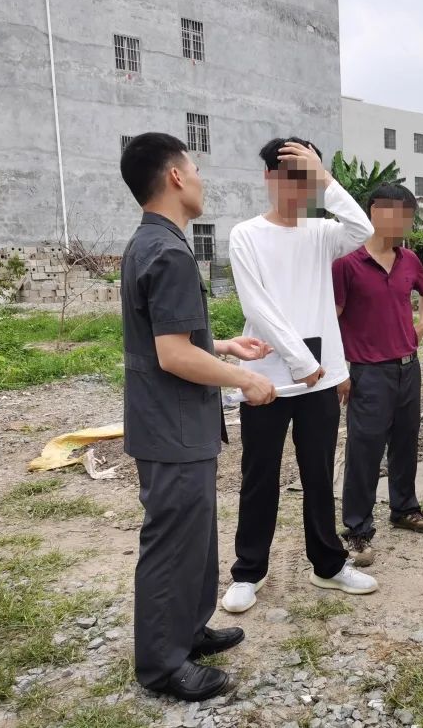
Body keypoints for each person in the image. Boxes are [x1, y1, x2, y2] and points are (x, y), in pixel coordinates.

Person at [119, 132, 277, 701]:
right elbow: (173, 354)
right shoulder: (168, 252)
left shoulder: (152, 244)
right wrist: (247, 380)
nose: (202, 178)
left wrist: (225, 347)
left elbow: (174, 338)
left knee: (193, 537)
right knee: (171, 543)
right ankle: (163, 667)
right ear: (177, 177)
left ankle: (186, 630)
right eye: (196, 167)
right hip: (172, 427)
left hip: (172, 422)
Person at [221, 137, 378, 615]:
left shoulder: (320, 232)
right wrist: (302, 362)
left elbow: (362, 227)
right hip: (266, 380)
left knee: (317, 473)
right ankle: (249, 570)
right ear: (269, 177)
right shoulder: (245, 235)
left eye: (306, 174)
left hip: (321, 382)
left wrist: (326, 178)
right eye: (291, 173)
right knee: (259, 476)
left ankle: (327, 565)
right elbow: (258, 308)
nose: (300, 184)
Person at [332, 183, 423, 567]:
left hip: (409, 367)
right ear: (376, 212)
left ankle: (404, 507)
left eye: (410, 216)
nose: (406, 223)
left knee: (406, 442)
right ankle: (358, 529)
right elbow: (332, 320)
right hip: (369, 373)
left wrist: (422, 325)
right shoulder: (347, 265)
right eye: (400, 214)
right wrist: (337, 372)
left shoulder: (409, 260)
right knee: (364, 451)